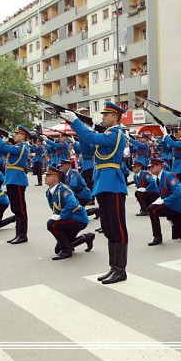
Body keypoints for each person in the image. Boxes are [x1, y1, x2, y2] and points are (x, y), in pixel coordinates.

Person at [61, 102, 129, 284]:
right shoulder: (105, 135)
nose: (103, 118)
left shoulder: (116, 133)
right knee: (107, 227)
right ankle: (114, 267)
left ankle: (120, 269)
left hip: (113, 183)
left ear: (115, 116)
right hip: (103, 183)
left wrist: (76, 122)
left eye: (106, 115)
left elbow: (92, 139)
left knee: (117, 227)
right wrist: (82, 131)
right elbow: (87, 150)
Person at [0, 125, 30, 245]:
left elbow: (3, 147)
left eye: (17, 134)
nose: (15, 136)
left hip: (17, 179)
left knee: (20, 209)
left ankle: (22, 235)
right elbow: (1, 151)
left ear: (23, 136)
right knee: (16, 208)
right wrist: (5, 140)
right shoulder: (16, 147)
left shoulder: (22, 147)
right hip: (12, 179)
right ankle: (18, 234)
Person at [44, 166, 95, 260]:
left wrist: (61, 216)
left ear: (55, 178)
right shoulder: (48, 192)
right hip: (69, 219)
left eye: (49, 175)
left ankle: (66, 251)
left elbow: (73, 203)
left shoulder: (63, 189)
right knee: (58, 249)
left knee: (51, 225)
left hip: (77, 219)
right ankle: (87, 237)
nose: (45, 177)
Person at [145, 158, 181, 246]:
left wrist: (164, 201)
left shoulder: (169, 176)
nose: (150, 169)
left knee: (152, 209)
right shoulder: (158, 179)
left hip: (178, 205)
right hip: (172, 205)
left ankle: (157, 237)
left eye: (153, 167)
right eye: (150, 167)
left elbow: (179, 192)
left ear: (160, 166)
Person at [161, 123, 181, 206]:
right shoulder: (180, 141)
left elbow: (172, 144)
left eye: (180, 129)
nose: (178, 131)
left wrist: (166, 135)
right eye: (178, 129)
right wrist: (164, 138)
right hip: (176, 168)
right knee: (176, 189)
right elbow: (167, 148)